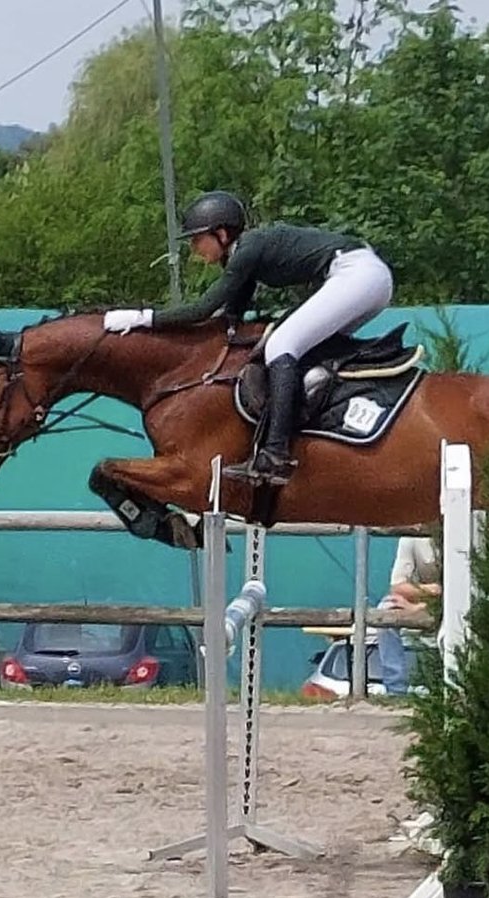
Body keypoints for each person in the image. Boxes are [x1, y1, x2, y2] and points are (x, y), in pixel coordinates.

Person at [103, 190, 395, 486]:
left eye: (197, 239)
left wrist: (141, 318)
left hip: (355, 275)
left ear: (221, 234)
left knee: (281, 345)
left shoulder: (248, 250)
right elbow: (230, 314)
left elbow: (203, 309)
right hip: (367, 277)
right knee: (300, 348)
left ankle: (276, 454)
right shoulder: (244, 252)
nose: (194, 248)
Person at [377, 536, 442, 696]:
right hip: (421, 601)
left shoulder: (465, 532)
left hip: (452, 603)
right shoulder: (411, 537)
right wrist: (430, 590)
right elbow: (397, 586)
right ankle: (395, 689)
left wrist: (419, 606)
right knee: (385, 610)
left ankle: (447, 686)